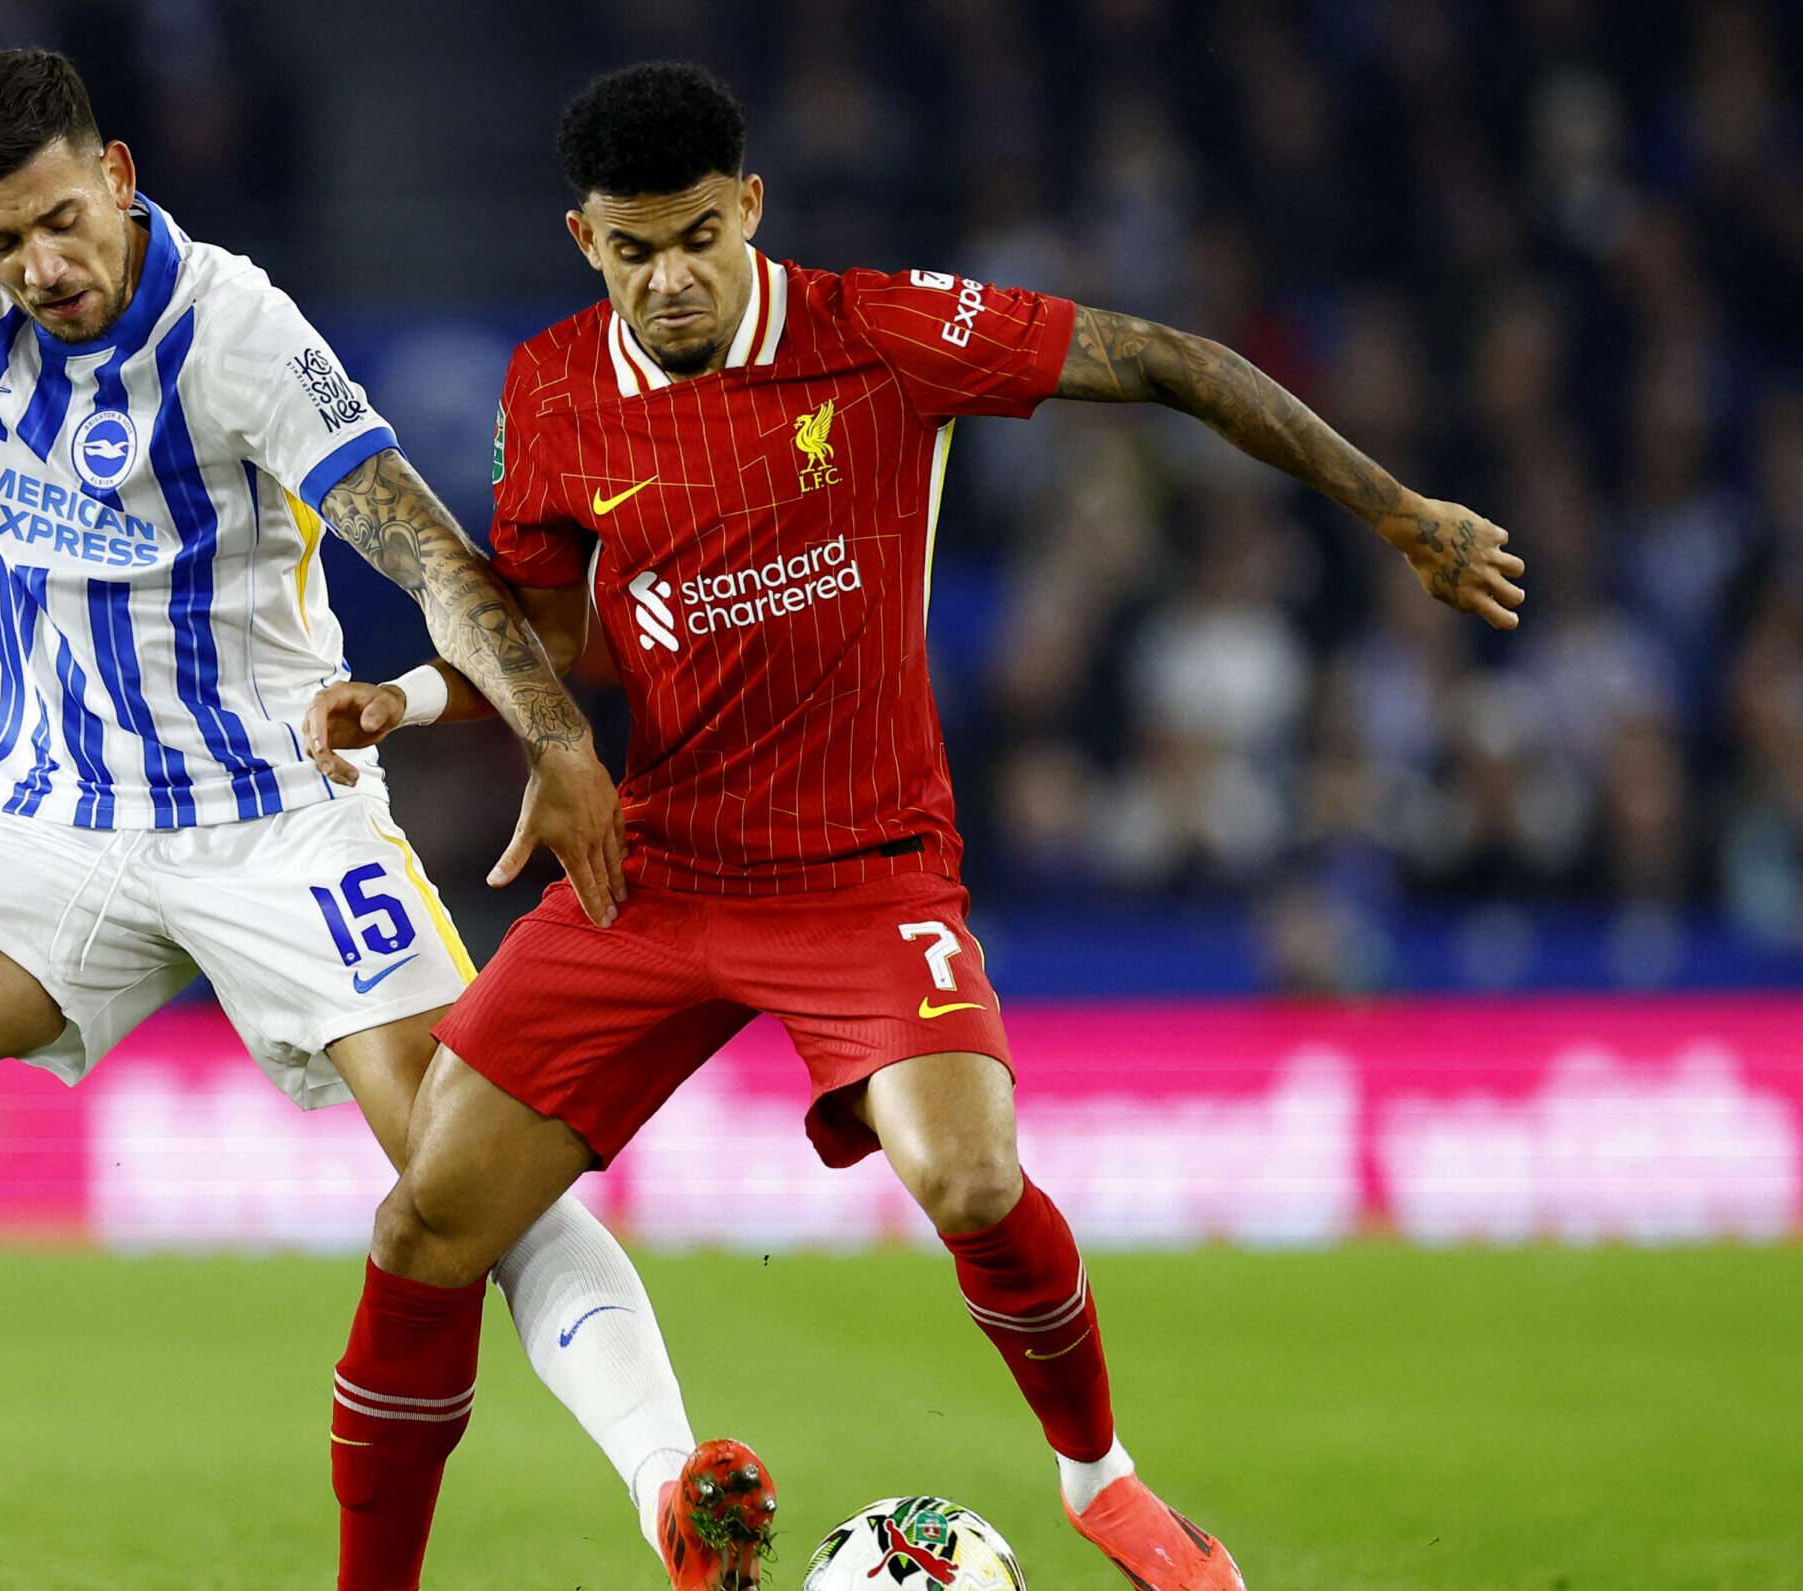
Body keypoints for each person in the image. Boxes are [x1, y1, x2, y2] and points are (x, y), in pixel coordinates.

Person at [305, 61, 1526, 1591]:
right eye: (633, 250)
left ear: (750, 207)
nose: (668, 278)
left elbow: (1164, 357)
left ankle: (1103, 1483)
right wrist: (415, 701)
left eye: (697, 236)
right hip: (658, 875)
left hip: (860, 876)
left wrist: (1397, 510)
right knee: (425, 1222)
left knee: (967, 1184)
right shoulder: (551, 385)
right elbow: (553, 637)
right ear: (582, 241)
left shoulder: (876, 332)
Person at [0, 47, 702, 1591]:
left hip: (274, 821)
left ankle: (674, 1487)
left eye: (53, 223)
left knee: (461, 1169)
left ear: (115, 180)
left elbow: (431, 556)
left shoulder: (237, 331)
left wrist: (555, 735)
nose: (33, 268)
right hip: (54, 827)